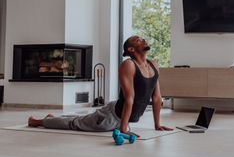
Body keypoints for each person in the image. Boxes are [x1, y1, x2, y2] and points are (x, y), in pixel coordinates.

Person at [28, 35, 173, 134]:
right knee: (76, 123)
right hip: (111, 118)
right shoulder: (128, 65)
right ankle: (38, 122)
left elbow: (156, 97)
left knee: (82, 119)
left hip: (121, 115)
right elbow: (129, 98)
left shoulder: (153, 64)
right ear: (131, 50)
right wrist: (123, 129)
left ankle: (52, 118)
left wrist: (157, 125)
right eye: (138, 40)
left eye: (142, 39)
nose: (142, 40)